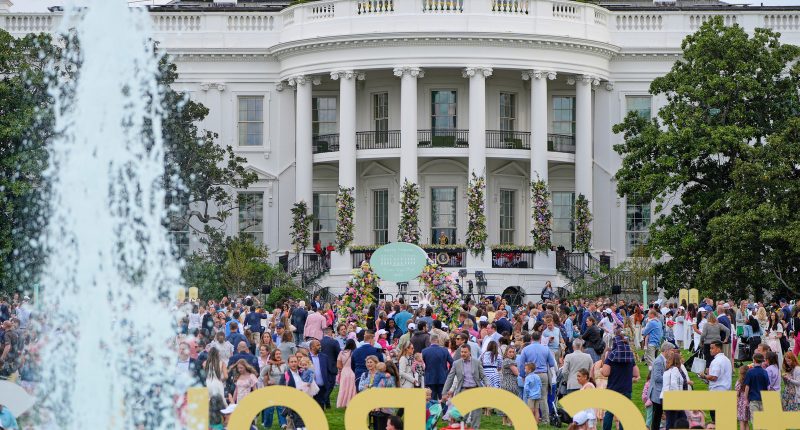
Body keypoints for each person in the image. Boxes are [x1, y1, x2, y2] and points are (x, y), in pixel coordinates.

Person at [599, 331, 640, 430]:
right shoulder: (630, 356)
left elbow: (606, 373)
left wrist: (601, 369)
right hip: (626, 389)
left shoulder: (612, 355)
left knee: (609, 413)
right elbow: (636, 373)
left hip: (613, 388)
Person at [442, 345, 490, 429]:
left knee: (476, 415)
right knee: (462, 416)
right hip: (463, 391)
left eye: (465, 352)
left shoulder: (476, 362)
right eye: (462, 352)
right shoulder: (456, 363)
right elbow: (450, 378)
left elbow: (483, 376)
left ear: (469, 352)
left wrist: (487, 383)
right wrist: (444, 392)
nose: (463, 354)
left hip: (476, 390)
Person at [517, 331, 556, 424]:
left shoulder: (526, 349)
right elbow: (552, 363)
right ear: (540, 339)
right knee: (543, 397)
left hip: (531, 374)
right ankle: (545, 419)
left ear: (531, 339)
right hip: (543, 374)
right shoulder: (545, 349)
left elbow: (521, 364)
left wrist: (522, 375)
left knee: (529, 396)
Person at [700, 341, 732, 421]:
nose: (710, 350)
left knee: (715, 418)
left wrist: (703, 375)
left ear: (718, 349)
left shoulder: (717, 361)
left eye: (712, 348)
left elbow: (714, 377)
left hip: (717, 391)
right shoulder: (726, 359)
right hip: (726, 390)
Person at [661, 351, 691, 429]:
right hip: (672, 398)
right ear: (677, 360)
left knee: (676, 419)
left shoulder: (668, 370)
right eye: (680, 359)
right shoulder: (675, 369)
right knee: (674, 421)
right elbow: (674, 384)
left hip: (666, 397)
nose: (682, 360)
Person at [648, 342, 675, 430]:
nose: (672, 352)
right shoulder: (659, 361)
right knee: (656, 418)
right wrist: (669, 378)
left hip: (660, 393)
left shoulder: (662, 359)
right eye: (671, 350)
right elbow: (657, 378)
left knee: (658, 416)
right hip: (657, 393)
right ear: (666, 350)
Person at [260, 349, 287, 429]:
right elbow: (261, 375)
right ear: (273, 356)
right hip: (271, 389)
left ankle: (283, 424)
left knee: (280, 407)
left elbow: (287, 375)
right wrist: (267, 381)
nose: (278, 355)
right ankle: (267, 425)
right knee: (270, 409)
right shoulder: (269, 366)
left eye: (280, 354)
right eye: (277, 354)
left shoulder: (284, 365)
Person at [422, 334, 453, 400]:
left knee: (431, 400)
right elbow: (452, 363)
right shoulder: (444, 350)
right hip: (443, 378)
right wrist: (447, 373)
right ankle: (443, 410)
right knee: (443, 400)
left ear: (430, 340)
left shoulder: (424, 351)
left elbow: (421, 365)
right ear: (438, 340)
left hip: (429, 379)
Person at [278, 355, 307, 429]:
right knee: (291, 424)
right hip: (291, 404)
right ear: (288, 363)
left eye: (295, 361)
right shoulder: (285, 375)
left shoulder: (303, 373)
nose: (293, 363)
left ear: (298, 363)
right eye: (291, 362)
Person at [744, 353, 771, 423]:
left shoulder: (750, 372)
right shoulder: (765, 372)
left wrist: (745, 399)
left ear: (754, 360)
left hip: (753, 399)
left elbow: (747, 387)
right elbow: (768, 387)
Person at [308, 339, 332, 409]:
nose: (320, 346)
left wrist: (328, 381)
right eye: (318, 345)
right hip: (311, 386)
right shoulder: (307, 357)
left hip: (322, 386)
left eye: (320, 345)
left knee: (321, 406)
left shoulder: (324, 357)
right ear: (312, 347)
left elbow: (328, 370)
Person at [500, 347, 520, 426]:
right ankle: (511, 422)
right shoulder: (509, 361)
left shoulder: (505, 360)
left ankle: (504, 422)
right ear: (506, 353)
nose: (512, 353)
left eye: (513, 352)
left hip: (505, 383)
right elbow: (516, 372)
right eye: (510, 352)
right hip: (510, 384)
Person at [337, 339, 358, 408]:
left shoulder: (342, 352)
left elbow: (338, 365)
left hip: (345, 371)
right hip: (353, 371)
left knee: (344, 387)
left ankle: (343, 403)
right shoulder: (356, 352)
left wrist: (343, 368)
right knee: (352, 388)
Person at [735, 365, 750, 430]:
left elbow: (737, 393)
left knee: (741, 422)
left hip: (741, 403)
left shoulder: (739, 382)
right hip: (747, 402)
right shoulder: (749, 381)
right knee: (746, 422)